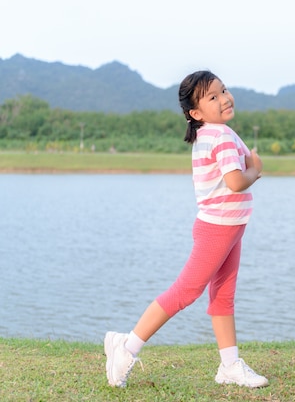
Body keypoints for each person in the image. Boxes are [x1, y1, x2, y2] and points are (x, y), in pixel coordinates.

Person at [104, 70, 267, 389]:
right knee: (186, 291)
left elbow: (246, 159)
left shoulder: (221, 132)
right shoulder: (218, 136)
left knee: (223, 296)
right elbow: (238, 179)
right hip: (217, 228)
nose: (224, 99)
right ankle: (126, 347)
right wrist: (256, 172)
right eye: (213, 97)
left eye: (224, 91)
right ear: (195, 113)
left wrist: (252, 166)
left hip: (231, 227)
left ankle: (230, 365)